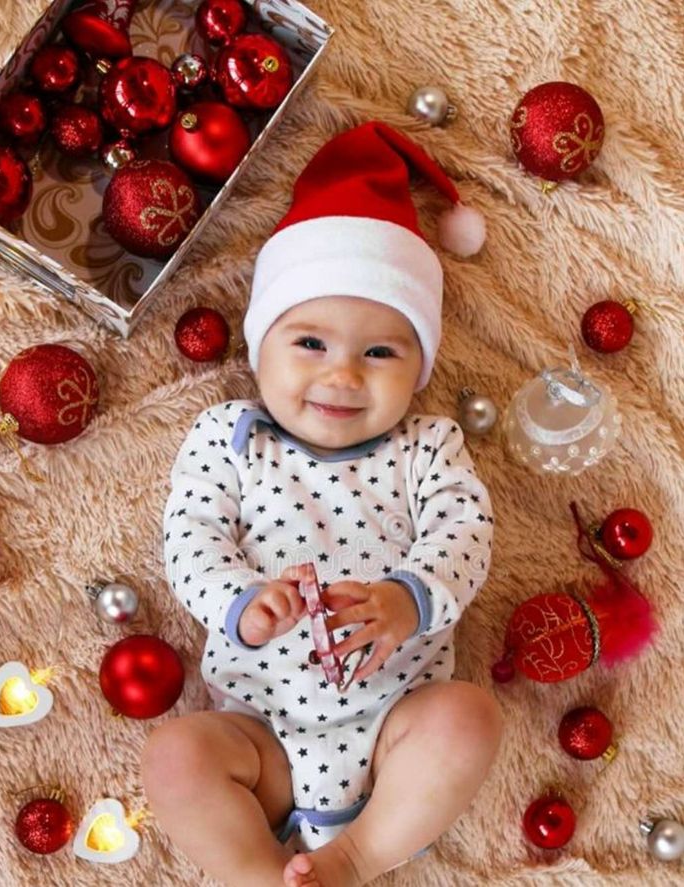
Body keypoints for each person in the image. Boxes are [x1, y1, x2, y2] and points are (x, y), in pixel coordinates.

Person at [143, 121, 502, 887]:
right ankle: (256, 872)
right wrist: (239, 602)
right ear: (259, 344)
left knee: (469, 718)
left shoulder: (428, 443)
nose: (342, 377)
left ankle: (357, 854)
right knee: (174, 758)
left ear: (419, 365)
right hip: (259, 729)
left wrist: (407, 601)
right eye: (309, 343)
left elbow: (463, 529)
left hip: (396, 719)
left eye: (378, 352)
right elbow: (191, 534)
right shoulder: (230, 436)